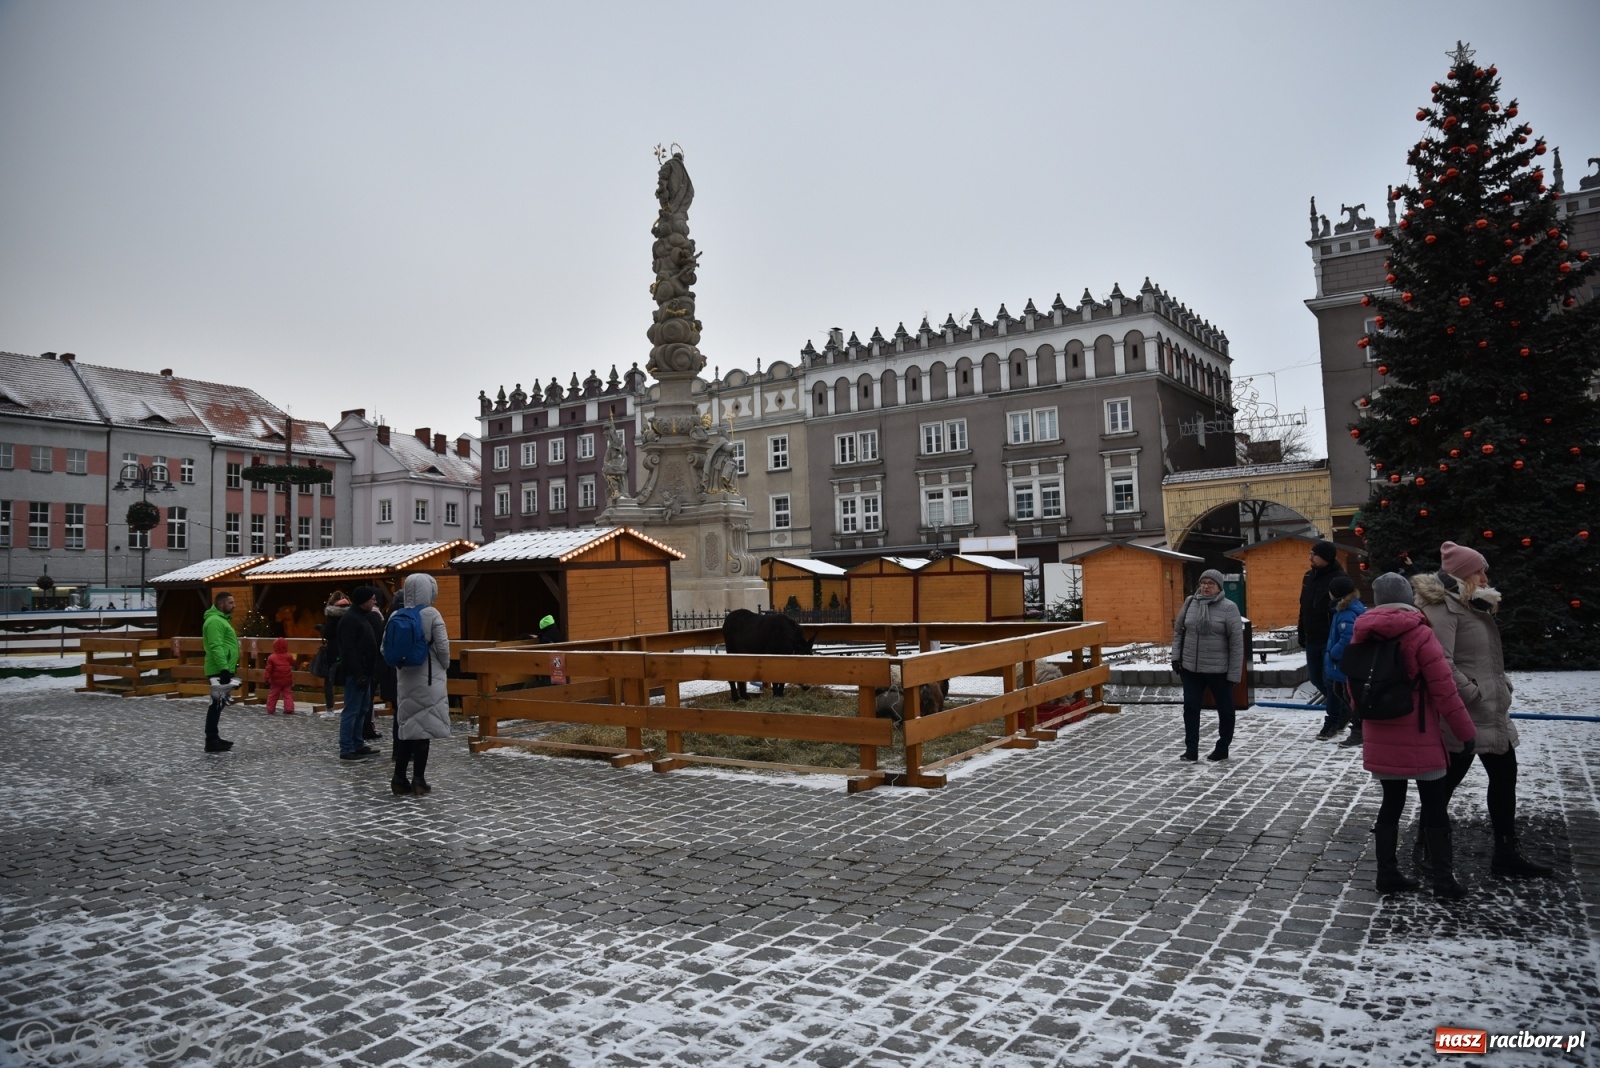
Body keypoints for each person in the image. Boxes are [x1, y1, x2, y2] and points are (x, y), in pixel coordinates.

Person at [1413, 541, 1552, 878]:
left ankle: (1506, 853)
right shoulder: (1443, 608)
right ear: (1462, 574)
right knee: (1444, 787)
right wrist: (1472, 693)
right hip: (1462, 715)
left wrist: (1498, 688)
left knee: (1505, 779)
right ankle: (1427, 848)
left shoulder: (1475, 604)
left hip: (1492, 713)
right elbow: (1440, 662)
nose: (1486, 576)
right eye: (1479, 570)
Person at [1353, 573, 1478, 897]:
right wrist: (1466, 733)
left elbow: (1354, 691)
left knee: (1390, 804)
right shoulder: (1420, 633)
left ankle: (1387, 874)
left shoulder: (1363, 633)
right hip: (1420, 733)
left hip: (1380, 733)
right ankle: (1442, 880)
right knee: (1434, 805)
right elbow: (1445, 691)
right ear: (1408, 597)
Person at [387, 573, 452, 796]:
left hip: (405, 679)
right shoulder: (432, 614)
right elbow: (443, 649)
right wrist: (444, 666)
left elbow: (385, 649)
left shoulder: (396, 614)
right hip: (429, 678)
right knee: (423, 730)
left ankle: (398, 778)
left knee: (407, 729)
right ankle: (419, 780)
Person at [1171, 569, 1244, 762]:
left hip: (1218, 670)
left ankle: (1222, 748)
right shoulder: (1190, 603)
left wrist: (1234, 674)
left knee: (1225, 709)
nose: (1206, 587)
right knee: (1191, 708)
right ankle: (1191, 749)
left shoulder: (1229, 608)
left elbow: (1236, 644)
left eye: (1211, 583)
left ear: (1219, 587)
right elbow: (1179, 631)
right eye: (1203, 583)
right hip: (1191, 668)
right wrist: (1175, 657)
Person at [1297, 540, 1346, 726]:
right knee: (1316, 679)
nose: (1310, 557)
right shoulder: (1308, 576)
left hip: (1330, 638)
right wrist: (1301, 630)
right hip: (1311, 637)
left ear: (1325, 558)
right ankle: (1344, 710)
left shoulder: (1339, 578)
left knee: (1330, 681)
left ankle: (1333, 719)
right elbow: (1304, 606)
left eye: (1314, 554)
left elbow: (1344, 610)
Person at [336, 586, 382, 760]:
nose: (374, 602)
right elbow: (348, 650)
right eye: (372, 599)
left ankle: (357, 742)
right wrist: (358, 673)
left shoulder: (361, 617)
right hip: (356, 673)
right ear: (363, 600)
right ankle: (347, 747)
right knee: (352, 710)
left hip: (365, 672)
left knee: (362, 709)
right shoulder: (351, 620)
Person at [1319, 575, 1365, 742]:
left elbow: (1347, 637)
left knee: (1348, 696)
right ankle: (1355, 723)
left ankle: (1358, 729)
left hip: (1342, 663)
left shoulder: (1346, 613)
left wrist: (1334, 653)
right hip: (1341, 663)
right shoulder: (1343, 609)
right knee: (1340, 692)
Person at [201, 591, 241, 753]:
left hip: (222, 668)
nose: (234, 605)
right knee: (216, 704)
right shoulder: (215, 622)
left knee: (218, 704)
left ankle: (213, 738)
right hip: (218, 670)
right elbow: (215, 646)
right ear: (220, 604)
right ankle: (211, 740)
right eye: (230, 603)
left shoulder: (221, 620)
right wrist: (224, 668)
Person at [365, 587, 395, 741]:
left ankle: (364, 729)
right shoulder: (376, 616)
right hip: (376, 661)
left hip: (370, 661)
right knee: (368, 698)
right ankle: (368, 728)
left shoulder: (365, 615)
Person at [315, 590, 349, 713]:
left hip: (333, 649)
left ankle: (330, 708)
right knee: (347, 677)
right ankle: (348, 706)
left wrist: (321, 628)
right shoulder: (351, 614)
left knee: (329, 678)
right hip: (346, 648)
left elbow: (329, 633)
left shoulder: (331, 615)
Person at [263, 636, 296, 714]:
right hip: (287, 679)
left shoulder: (271, 657)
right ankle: (289, 708)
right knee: (287, 694)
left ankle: (270, 709)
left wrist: (266, 678)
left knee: (273, 695)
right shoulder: (288, 656)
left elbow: (268, 670)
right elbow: (293, 663)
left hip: (276, 680)